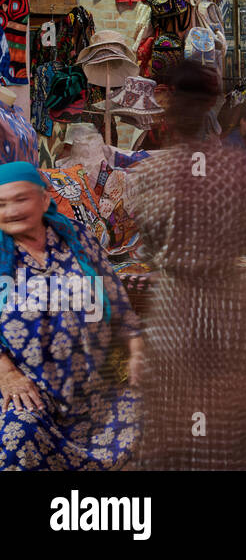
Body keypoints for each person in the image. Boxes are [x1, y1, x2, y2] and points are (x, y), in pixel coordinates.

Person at [131, 60, 246, 469]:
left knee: (173, 412)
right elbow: (245, 236)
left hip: (177, 306)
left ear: (169, 106)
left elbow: (148, 245)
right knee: (222, 418)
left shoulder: (154, 170)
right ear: (211, 105)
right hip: (228, 305)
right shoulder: (234, 167)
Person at [0, 162, 143, 469]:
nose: (10, 211)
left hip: (92, 385)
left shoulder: (76, 237)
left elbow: (115, 297)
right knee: (20, 436)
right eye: (1, 204)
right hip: (28, 387)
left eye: (20, 199)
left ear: (44, 200)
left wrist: (136, 350)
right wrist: (7, 373)